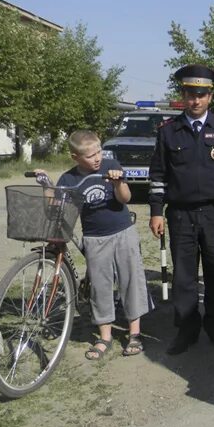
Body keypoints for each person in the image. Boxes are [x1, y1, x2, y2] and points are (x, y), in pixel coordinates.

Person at [148, 64, 214, 355]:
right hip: (181, 214)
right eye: (190, 94)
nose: (195, 100)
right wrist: (155, 210)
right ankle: (187, 329)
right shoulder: (168, 131)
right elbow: (157, 175)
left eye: (201, 95)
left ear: (210, 97)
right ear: (183, 95)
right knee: (184, 276)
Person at [54, 130, 152, 360]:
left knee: (131, 280)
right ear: (75, 157)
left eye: (98, 152)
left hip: (122, 231)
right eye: (90, 155)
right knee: (100, 286)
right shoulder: (69, 179)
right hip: (94, 238)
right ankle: (104, 335)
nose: (97, 158)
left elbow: (125, 198)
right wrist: (47, 186)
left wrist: (118, 183)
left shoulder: (111, 164)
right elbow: (60, 207)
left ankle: (135, 332)